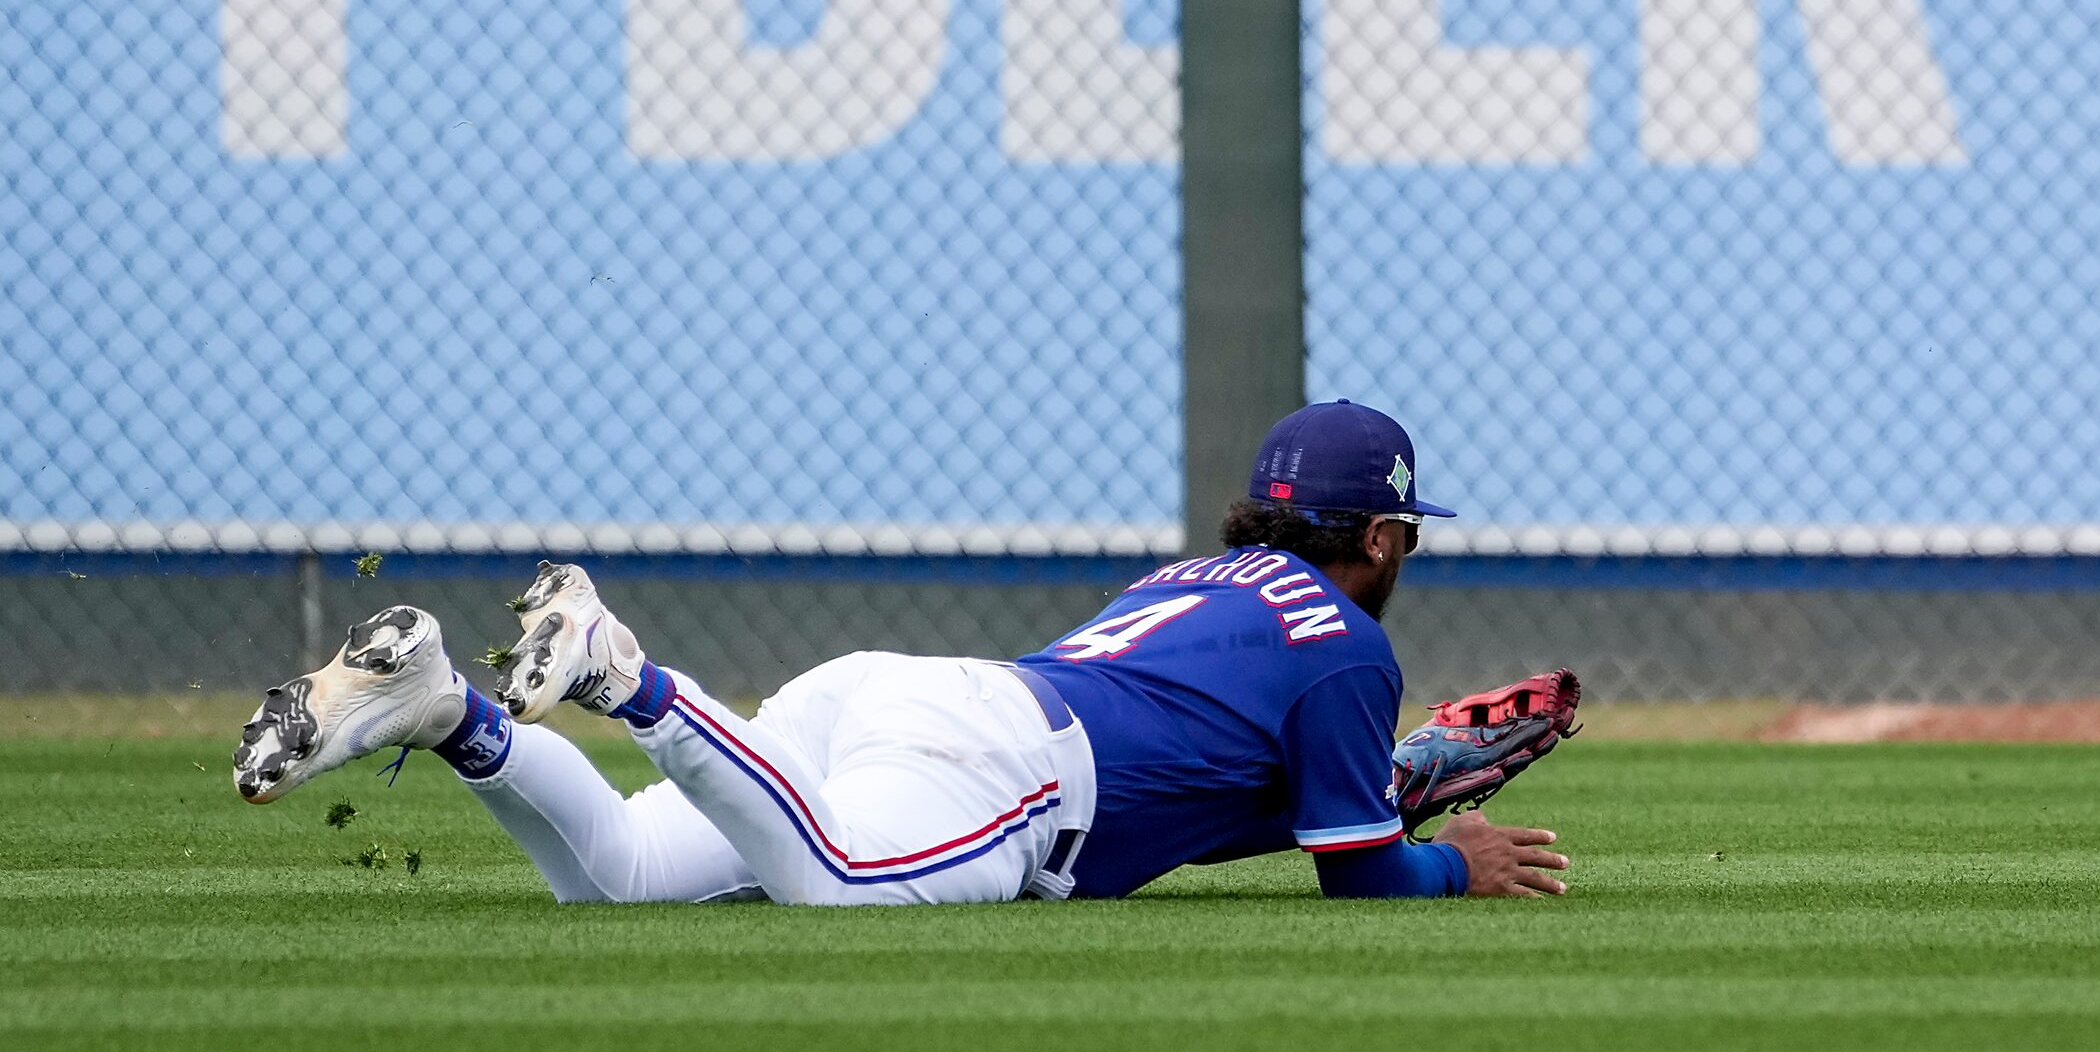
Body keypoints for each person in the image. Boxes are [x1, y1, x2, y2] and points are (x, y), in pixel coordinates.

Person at [230, 400, 1572, 903]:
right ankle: (620, 671)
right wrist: (1450, 857)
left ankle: (449, 706)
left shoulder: (1205, 576)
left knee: (625, 876)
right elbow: (1358, 876)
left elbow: (1220, 787)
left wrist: (1376, 787)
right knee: (835, 885)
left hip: (895, 696)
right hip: (998, 768)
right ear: (1384, 536)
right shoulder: (1342, 644)